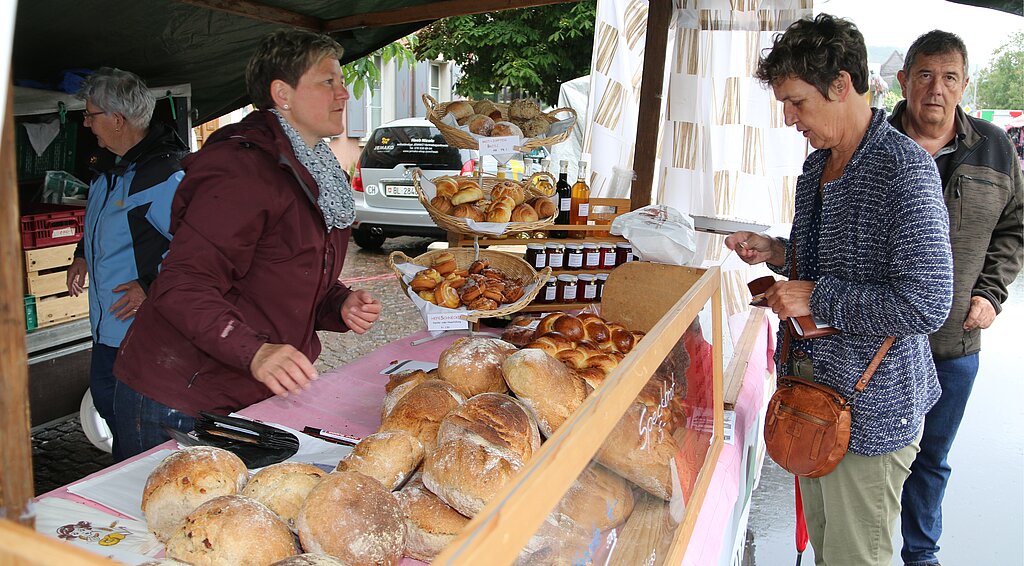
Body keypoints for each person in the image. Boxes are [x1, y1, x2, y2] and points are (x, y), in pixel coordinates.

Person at [725, 14, 953, 566]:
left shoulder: (904, 170)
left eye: (797, 102)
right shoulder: (817, 168)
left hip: (871, 414)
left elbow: (927, 303)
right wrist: (778, 253)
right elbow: (826, 264)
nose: (788, 118)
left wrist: (815, 297)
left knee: (855, 557)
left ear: (841, 85)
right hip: (814, 400)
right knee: (831, 552)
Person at [111, 28, 382, 461]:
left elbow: (284, 270)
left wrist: (338, 304)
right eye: (327, 81)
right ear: (283, 93)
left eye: (341, 81)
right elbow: (183, 284)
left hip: (240, 394)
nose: (343, 93)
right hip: (178, 396)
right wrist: (254, 350)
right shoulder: (242, 169)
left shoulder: (315, 168)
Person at [889, 30, 1024, 566]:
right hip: (880, 339)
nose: (936, 90)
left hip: (954, 338)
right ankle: (866, 546)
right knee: (871, 454)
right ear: (904, 80)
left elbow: (1015, 228)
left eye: (949, 78)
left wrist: (991, 294)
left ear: (964, 84)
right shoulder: (876, 143)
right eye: (924, 75)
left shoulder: (994, 147)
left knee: (933, 456)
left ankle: (921, 553)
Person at [66, 68, 188, 446]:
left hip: (144, 337)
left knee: (141, 437)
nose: (86, 124)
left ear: (117, 119)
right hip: (107, 331)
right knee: (111, 410)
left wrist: (150, 286)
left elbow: (200, 249)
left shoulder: (166, 175)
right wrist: (82, 253)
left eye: (91, 115)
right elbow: (102, 219)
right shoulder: (110, 168)